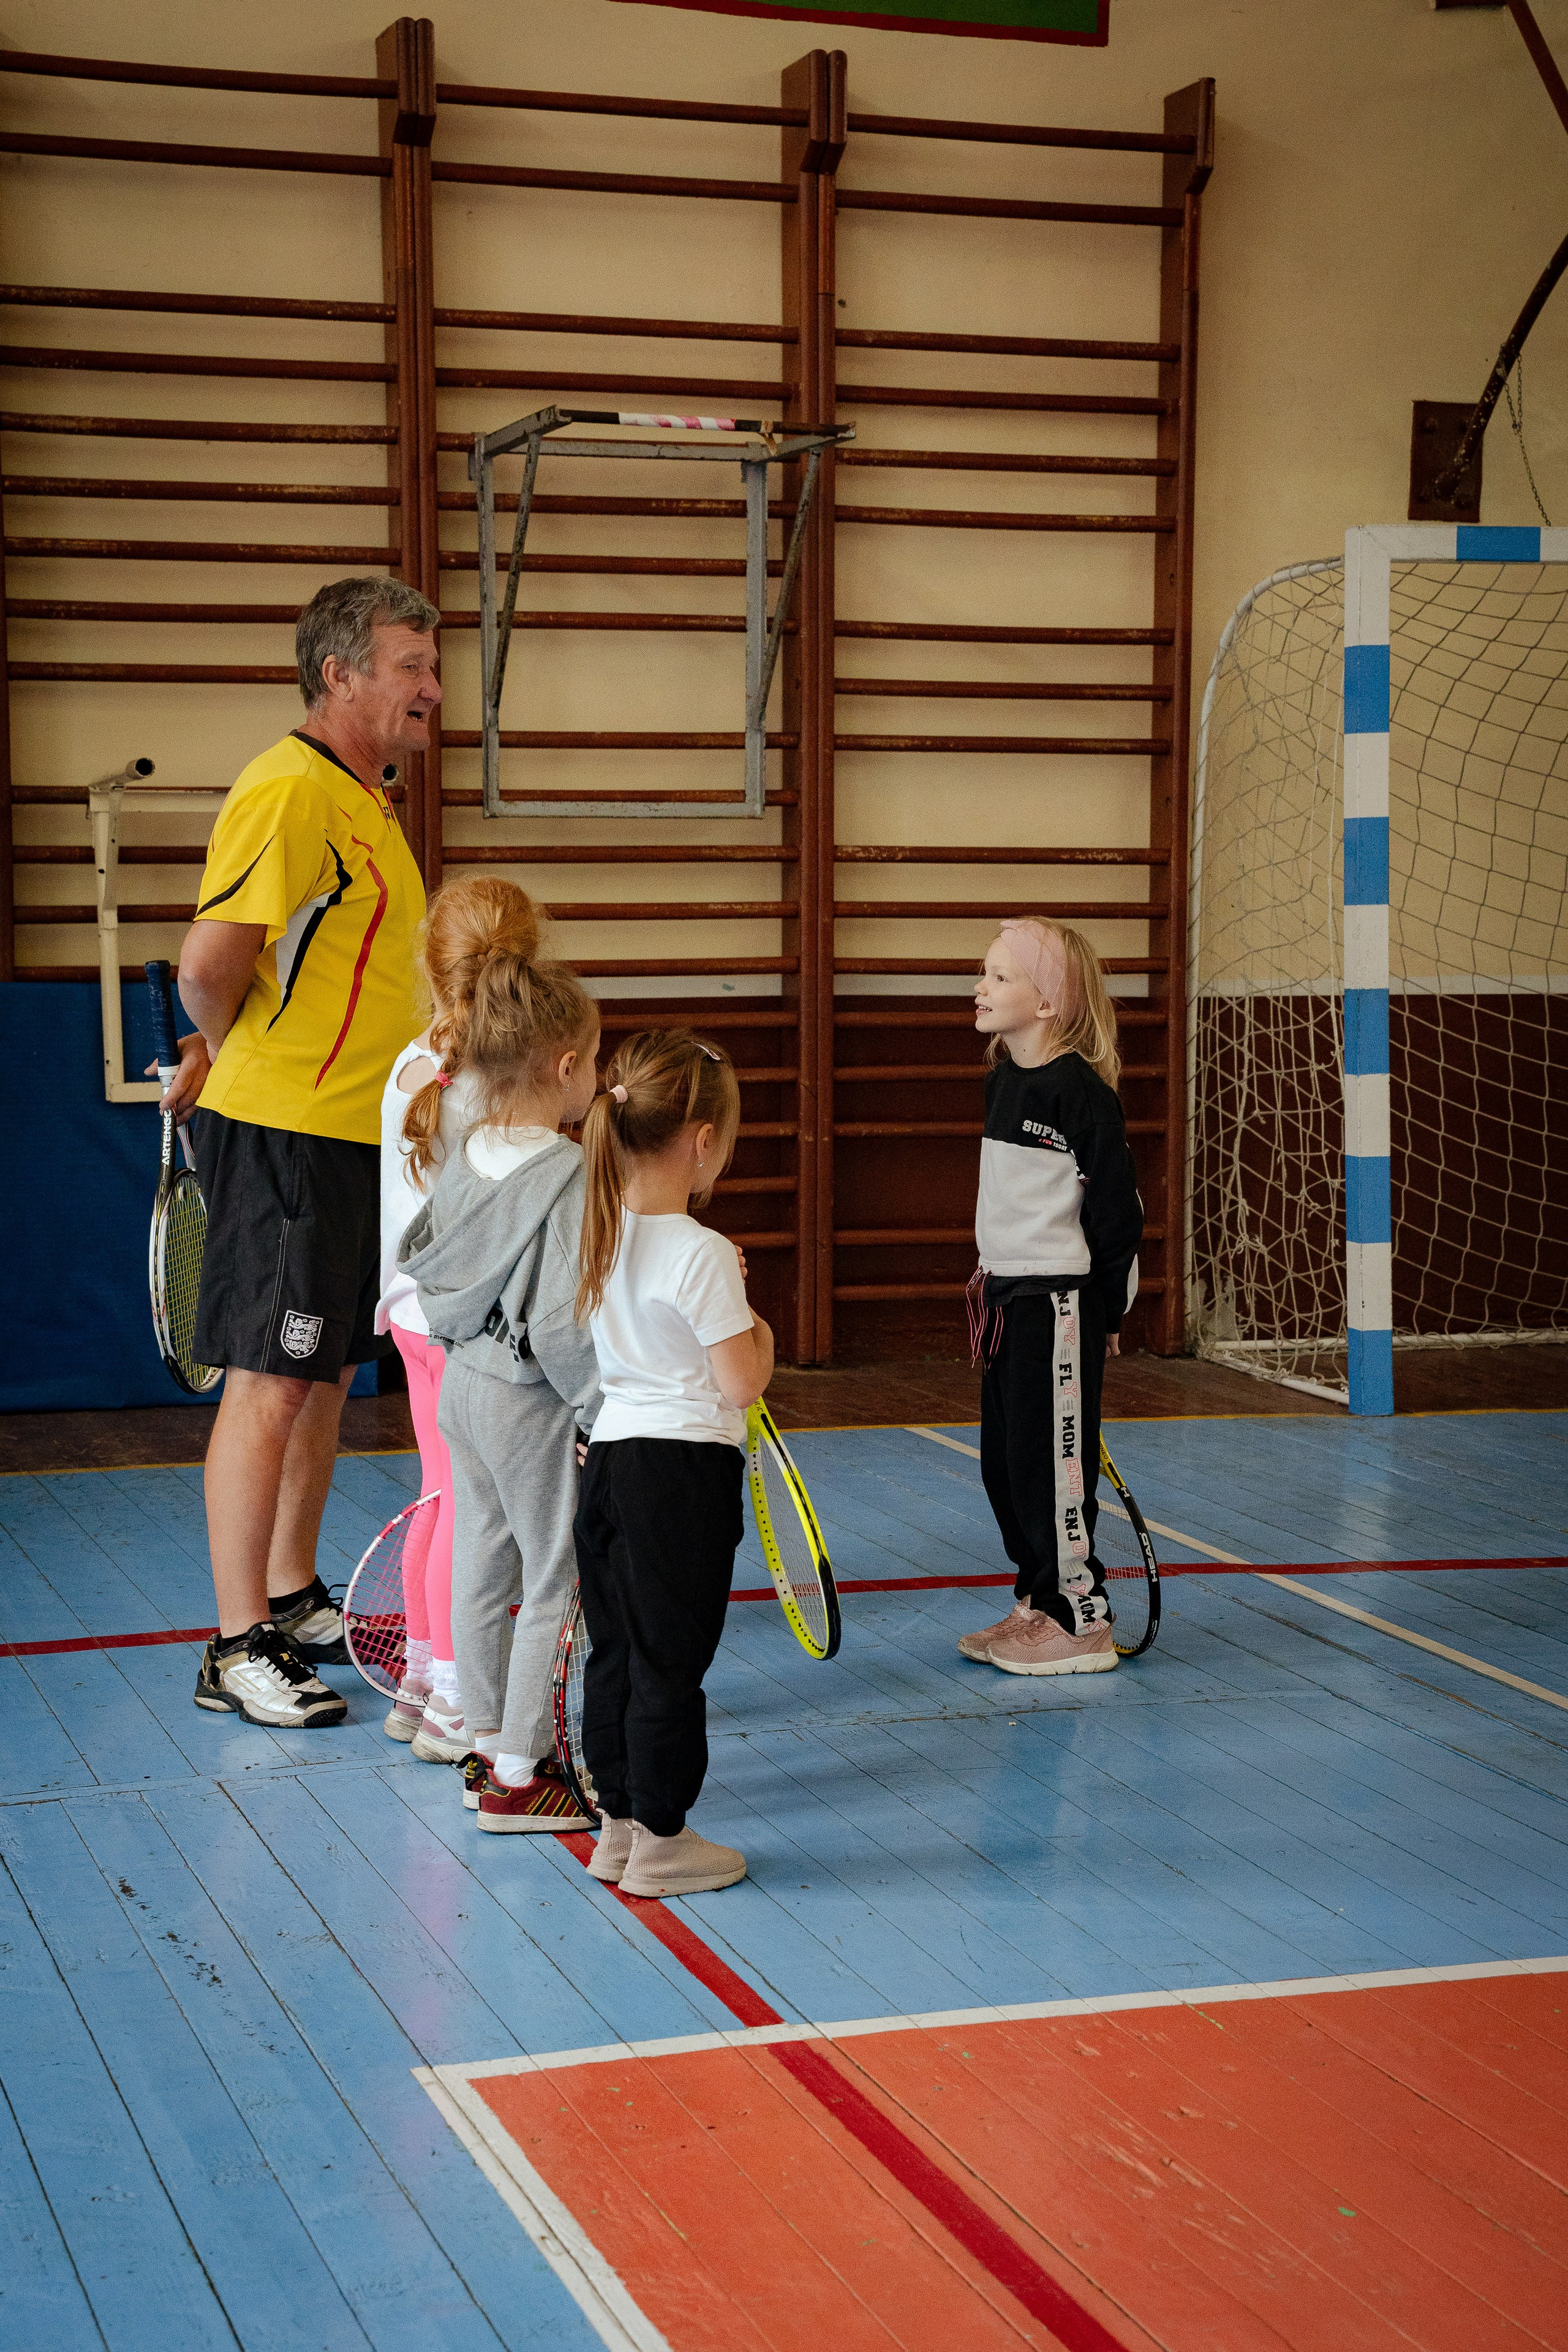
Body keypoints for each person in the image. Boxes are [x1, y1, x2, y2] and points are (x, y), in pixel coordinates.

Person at [158, 575, 441, 1729]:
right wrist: (233, 1059)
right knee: (270, 1380)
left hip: (352, 1136)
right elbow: (208, 964)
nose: (433, 688)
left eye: (433, 666)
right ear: (341, 675)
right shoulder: (286, 792)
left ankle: (292, 1592)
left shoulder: (365, 800)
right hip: (285, 1133)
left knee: (319, 1373)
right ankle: (234, 1646)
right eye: (411, 666)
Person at [398, 910, 603, 1830]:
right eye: (594, 1063)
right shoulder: (563, 1170)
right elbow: (562, 1324)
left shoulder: (468, 1148)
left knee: (481, 1567)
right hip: (527, 1402)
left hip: (463, 1389)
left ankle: (484, 1743)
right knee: (558, 1575)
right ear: (565, 1069)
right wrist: (599, 1407)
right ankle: (524, 1772)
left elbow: (431, 1261)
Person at [571, 1029, 773, 1899]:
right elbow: (742, 1382)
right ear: (701, 1142)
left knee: (614, 1652)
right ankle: (662, 1838)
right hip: (680, 1477)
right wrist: (756, 1317)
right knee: (669, 1661)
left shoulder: (601, 1235)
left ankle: (617, 1826)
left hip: (609, 1463)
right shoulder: (699, 1252)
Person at [958, 918, 1144, 1678]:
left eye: (1001, 977)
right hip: (1004, 1300)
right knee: (1006, 1465)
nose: (982, 986)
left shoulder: (1081, 1095)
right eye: (985, 973)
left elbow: (1119, 1215)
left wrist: (1106, 1312)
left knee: (1051, 1466)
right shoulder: (1004, 1078)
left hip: (1058, 1305)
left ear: (1047, 1003)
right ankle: (1037, 1599)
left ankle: (1079, 1617)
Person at [373, 880, 521, 1752]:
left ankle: (423, 1678)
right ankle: (461, 1701)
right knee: (473, 1511)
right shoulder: (497, 1090)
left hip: (409, 1322)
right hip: (465, 1330)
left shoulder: (406, 1067)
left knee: (441, 1494)